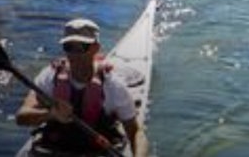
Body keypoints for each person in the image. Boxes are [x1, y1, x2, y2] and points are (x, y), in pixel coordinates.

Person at [16, 17, 149, 157]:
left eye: (81, 47)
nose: (74, 54)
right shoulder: (49, 77)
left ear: (95, 48)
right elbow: (21, 117)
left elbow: (135, 132)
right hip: (54, 150)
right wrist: (51, 114)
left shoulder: (113, 86)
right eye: (69, 47)